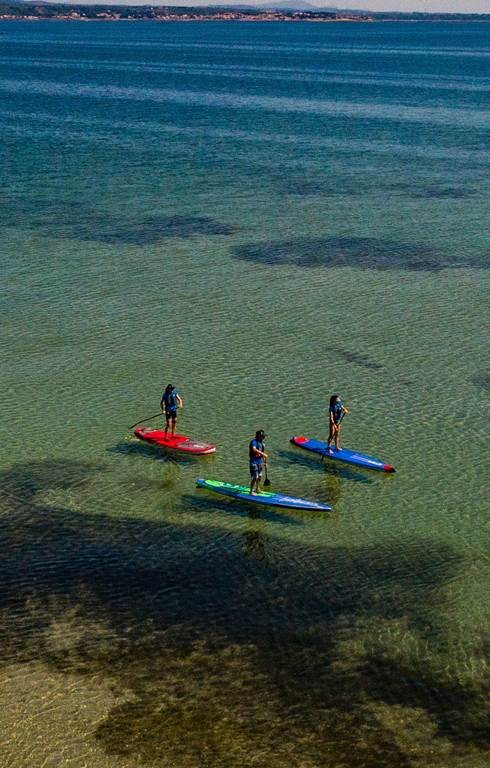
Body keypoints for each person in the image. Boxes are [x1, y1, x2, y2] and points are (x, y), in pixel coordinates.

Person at [249, 430, 267, 495]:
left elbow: (263, 454)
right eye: (262, 436)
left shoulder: (262, 443)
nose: (263, 438)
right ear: (258, 436)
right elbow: (254, 449)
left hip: (260, 462)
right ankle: (251, 491)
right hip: (253, 462)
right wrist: (263, 453)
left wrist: (265, 462)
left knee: (259, 476)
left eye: (264, 436)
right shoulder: (253, 442)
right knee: (255, 477)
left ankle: (257, 488)